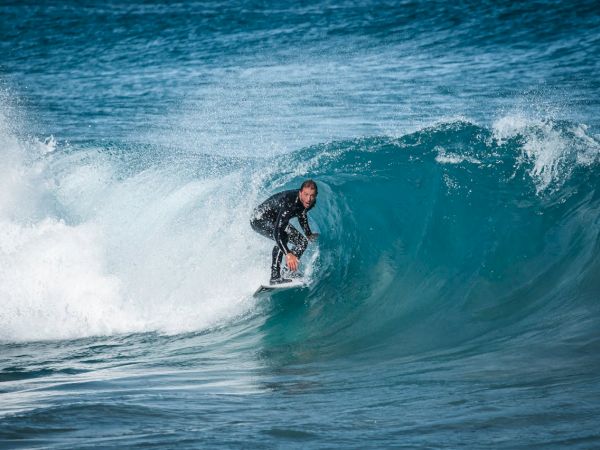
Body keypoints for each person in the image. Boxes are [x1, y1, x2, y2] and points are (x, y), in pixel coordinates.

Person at [250, 180, 319, 284]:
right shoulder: (290, 204)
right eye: (306, 194)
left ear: (315, 195)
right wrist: (288, 254)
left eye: (312, 195)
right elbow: (277, 232)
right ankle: (275, 277)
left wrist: (308, 233)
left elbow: (302, 213)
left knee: (302, 242)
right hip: (259, 219)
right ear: (300, 193)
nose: (308, 199)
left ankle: (288, 272)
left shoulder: (308, 202)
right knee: (283, 237)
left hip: (275, 219)